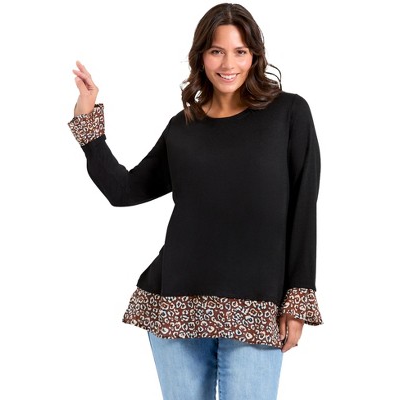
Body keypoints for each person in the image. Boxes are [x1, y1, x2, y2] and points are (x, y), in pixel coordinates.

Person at [67, 3, 322, 399]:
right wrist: (89, 128)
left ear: (255, 56)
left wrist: (298, 299)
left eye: (240, 51)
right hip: (177, 303)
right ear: (201, 56)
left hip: (257, 306)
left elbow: (304, 208)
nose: (228, 64)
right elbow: (124, 191)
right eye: (217, 51)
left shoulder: (289, 113)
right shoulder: (183, 127)